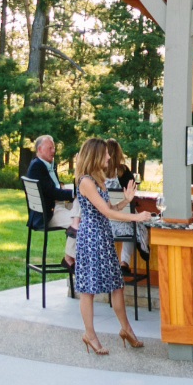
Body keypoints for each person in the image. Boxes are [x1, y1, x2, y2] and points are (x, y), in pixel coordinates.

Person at [65, 139, 153, 355]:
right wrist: (136, 216)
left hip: (103, 236)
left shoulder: (99, 179)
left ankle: (126, 330)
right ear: (95, 155)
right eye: (105, 154)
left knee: (117, 285)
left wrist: (126, 200)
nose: (108, 157)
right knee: (88, 290)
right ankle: (90, 335)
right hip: (91, 238)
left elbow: (109, 207)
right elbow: (105, 212)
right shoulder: (85, 181)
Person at [100, 139, 146, 258]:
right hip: (122, 219)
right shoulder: (123, 171)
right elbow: (132, 188)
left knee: (131, 223)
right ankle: (124, 261)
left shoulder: (98, 173)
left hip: (105, 223)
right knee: (136, 225)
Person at [22, 135, 74, 228]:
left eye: (53, 148)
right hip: (48, 213)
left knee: (85, 214)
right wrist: (74, 193)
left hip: (58, 205)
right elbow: (52, 192)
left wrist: (61, 185)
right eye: (50, 148)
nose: (53, 151)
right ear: (40, 149)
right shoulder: (37, 167)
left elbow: (50, 185)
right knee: (79, 224)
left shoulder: (47, 164)